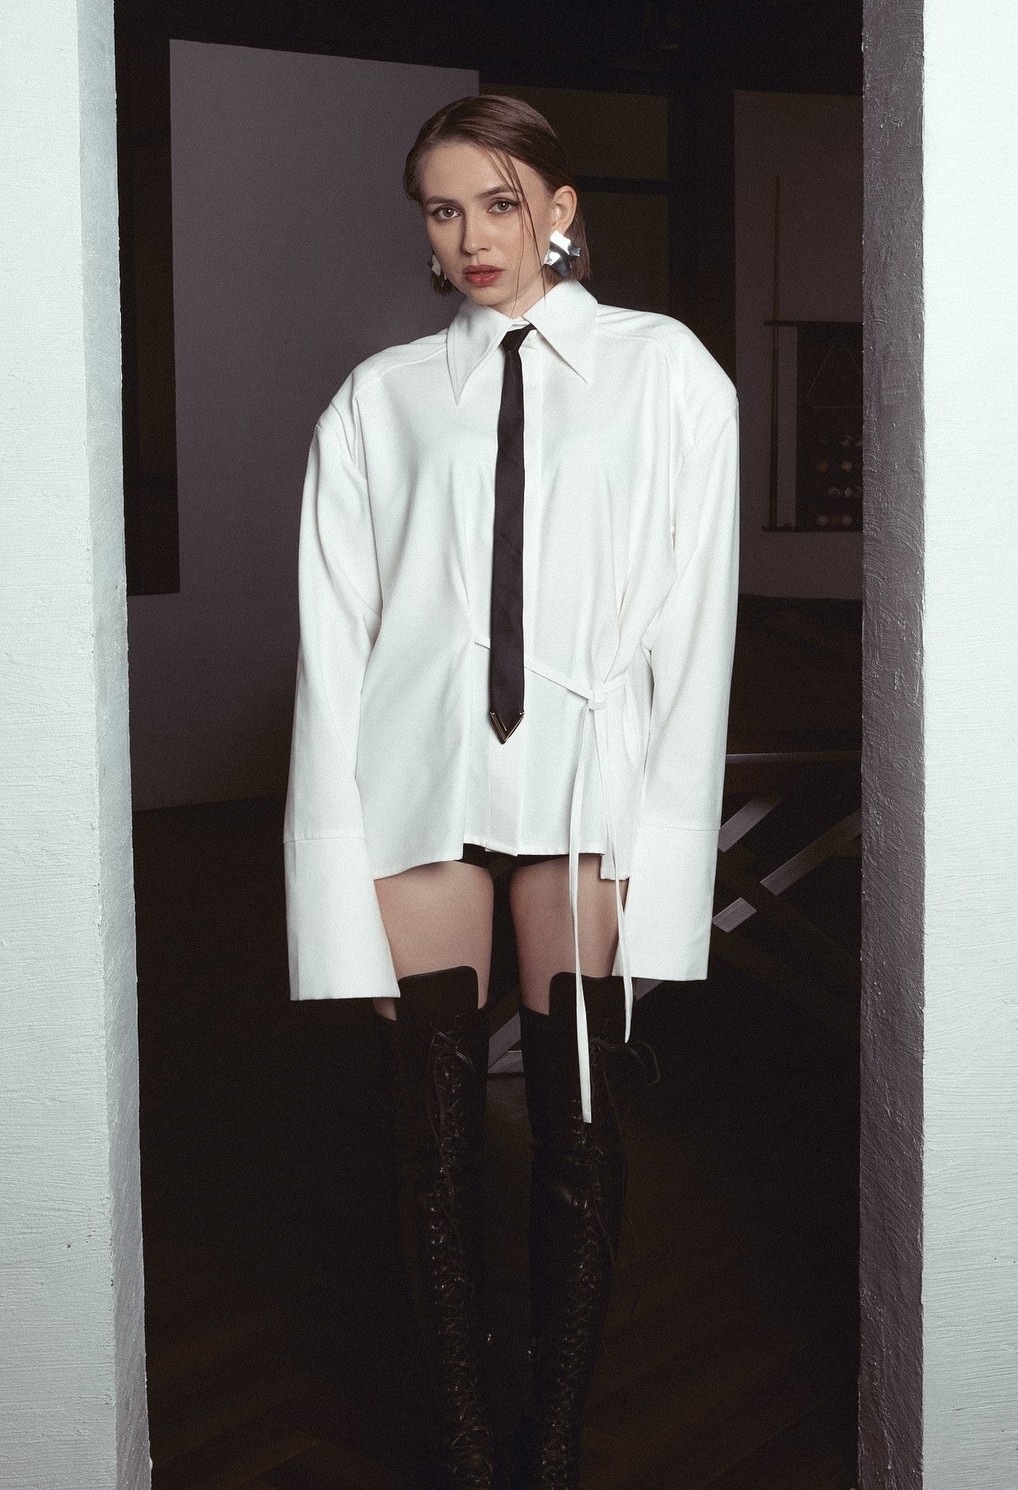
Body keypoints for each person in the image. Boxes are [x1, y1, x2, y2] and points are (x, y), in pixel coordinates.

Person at [283, 94, 739, 1490]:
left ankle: (552, 1447)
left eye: (500, 201)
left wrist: (666, 865)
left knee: (576, 1129)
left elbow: (693, 634)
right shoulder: (380, 397)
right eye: (442, 208)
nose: (472, 236)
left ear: (559, 206)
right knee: (428, 1145)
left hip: (582, 784)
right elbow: (332, 649)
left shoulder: (665, 373)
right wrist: (330, 887)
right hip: (419, 777)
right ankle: (471, 1453)